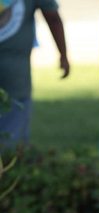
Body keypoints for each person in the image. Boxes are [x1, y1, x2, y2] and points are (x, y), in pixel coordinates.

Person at [0, 0, 69, 146]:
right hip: (16, 76)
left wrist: (63, 54)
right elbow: (53, 18)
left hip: (15, 75)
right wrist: (63, 55)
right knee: (12, 137)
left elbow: (53, 18)